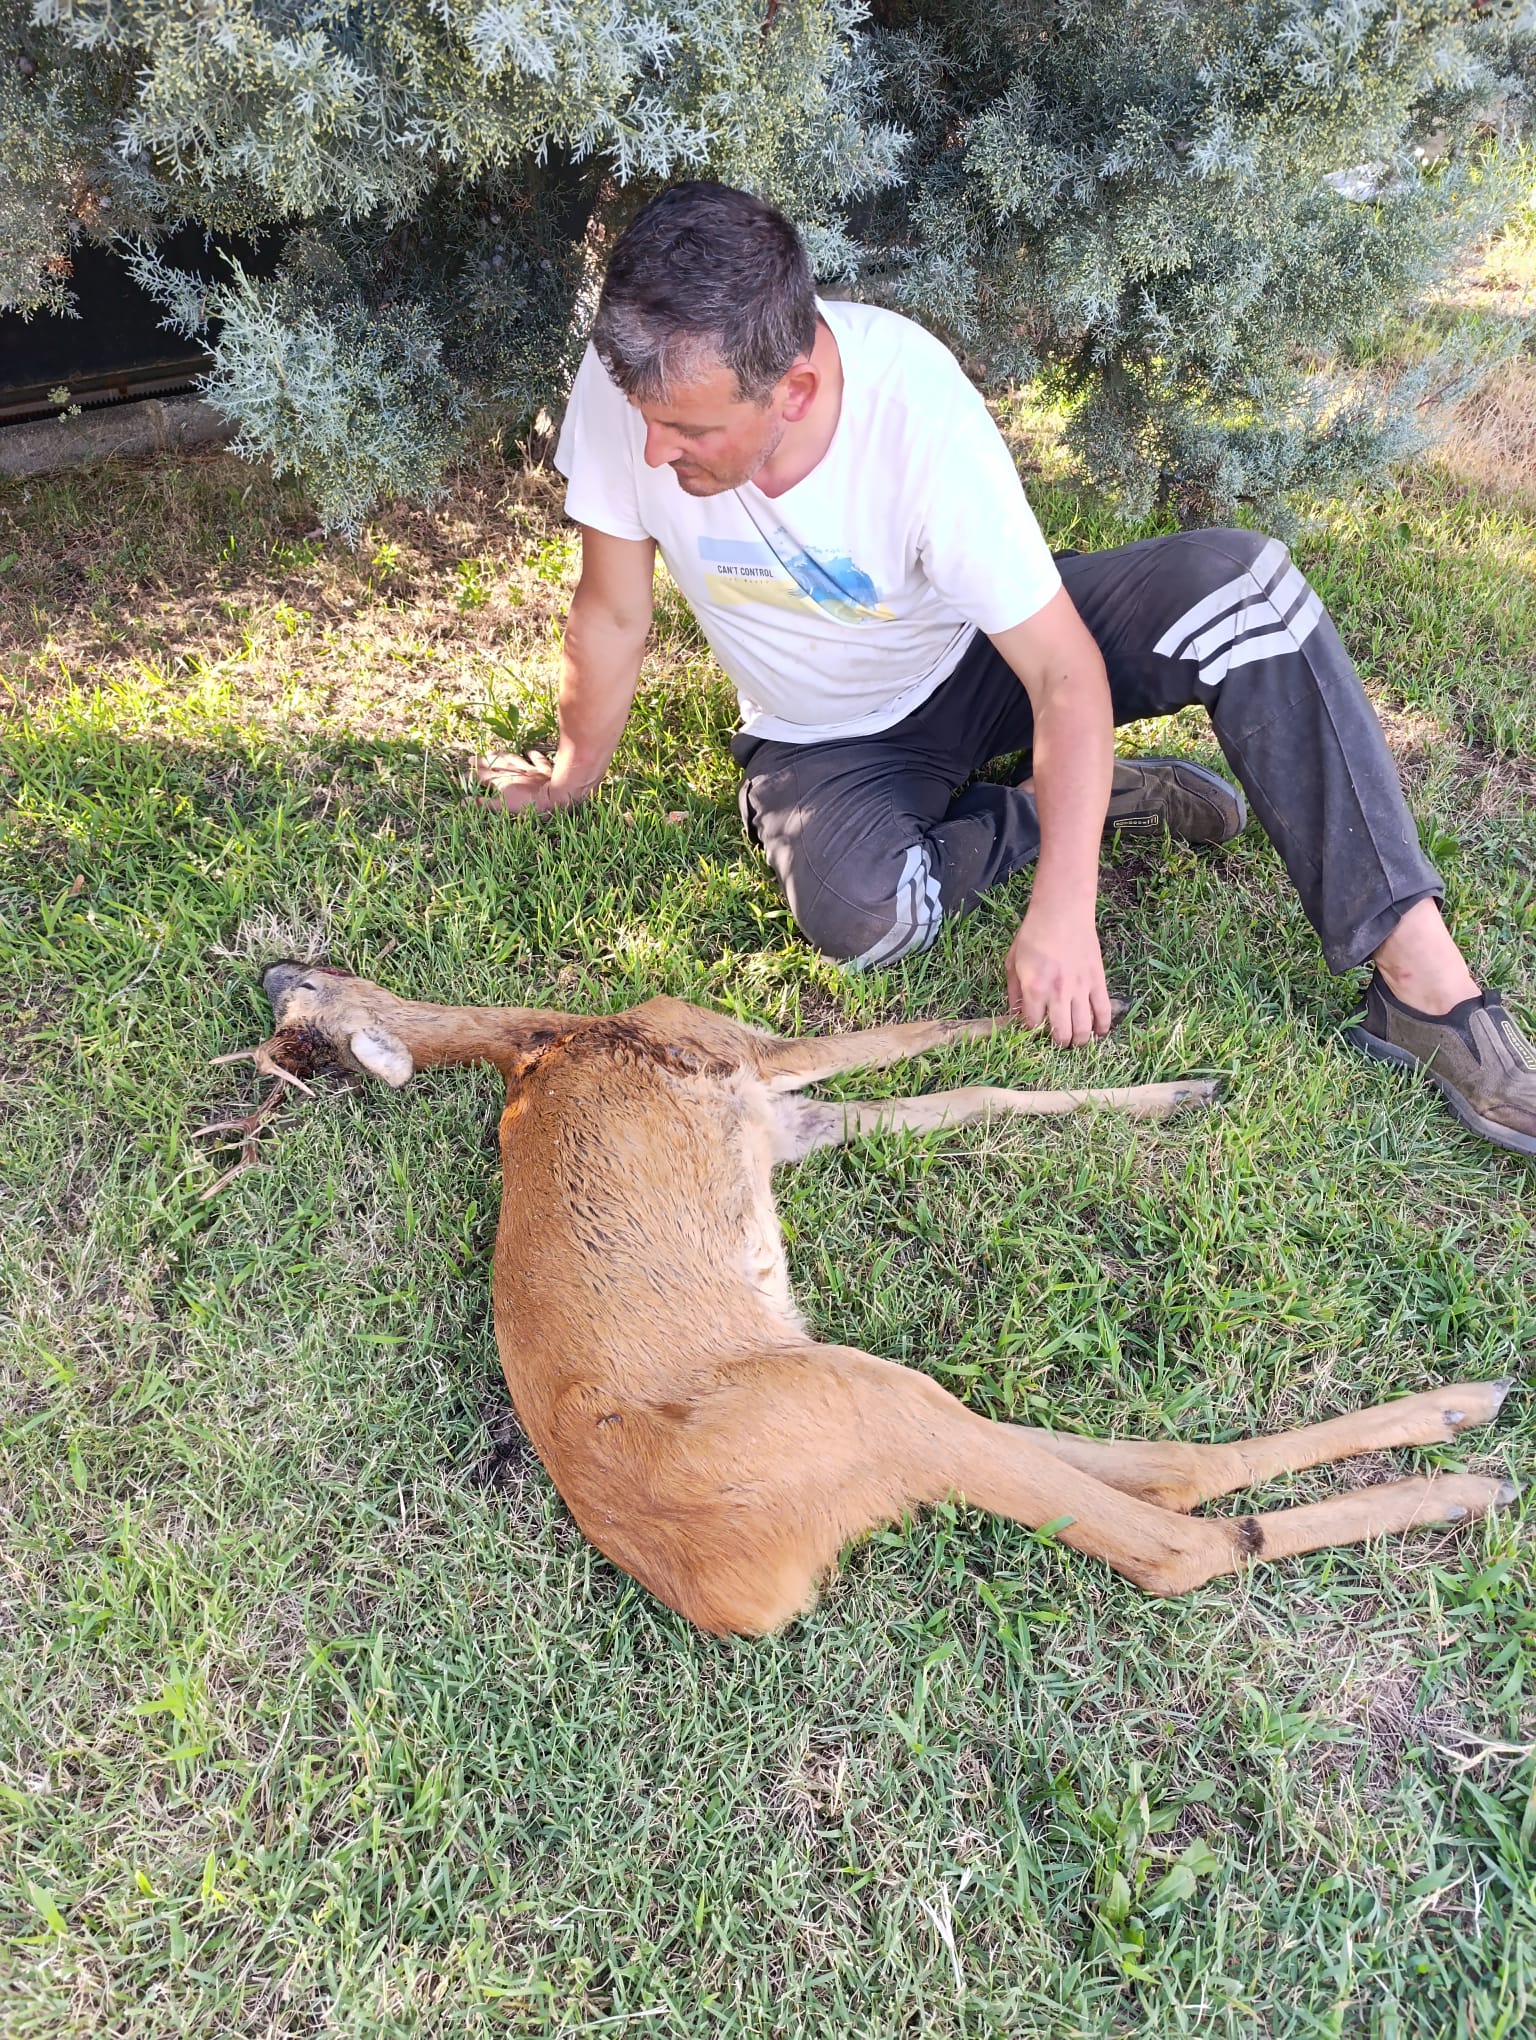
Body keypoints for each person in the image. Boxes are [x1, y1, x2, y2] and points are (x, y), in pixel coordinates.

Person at [476, 181, 1536, 1158]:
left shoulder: (913, 410)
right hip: (824, 736)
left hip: (983, 658)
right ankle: (1068, 798)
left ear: (794, 388)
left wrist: (1065, 914)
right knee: (859, 919)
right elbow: (614, 609)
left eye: (688, 429)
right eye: (648, 420)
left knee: (1244, 585)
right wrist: (573, 770)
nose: (655, 451)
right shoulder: (641, 390)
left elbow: (1065, 675)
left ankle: (1427, 994)